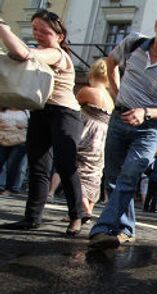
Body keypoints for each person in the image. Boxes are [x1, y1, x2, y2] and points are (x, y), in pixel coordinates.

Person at [89, 11, 157, 248]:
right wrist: (117, 94)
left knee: (130, 174)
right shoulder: (133, 43)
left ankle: (102, 228)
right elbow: (110, 63)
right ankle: (127, 227)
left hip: (149, 128)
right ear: (156, 26)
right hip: (119, 118)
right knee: (113, 178)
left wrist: (145, 112)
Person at [0, 10, 84, 235]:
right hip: (40, 111)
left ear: (59, 36)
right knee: (38, 168)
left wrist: (2, 26)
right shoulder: (40, 51)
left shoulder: (56, 54)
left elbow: (22, 52)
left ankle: (78, 216)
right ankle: (31, 218)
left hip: (65, 113)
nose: (37, 34)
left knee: (66, 165)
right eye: (35, 30)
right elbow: (16, 54)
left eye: (44, 31)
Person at [75, 58, 114, 223]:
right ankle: (88, 209)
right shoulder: (110, 99)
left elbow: (73, 108)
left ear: (92, 73)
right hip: (102, 139)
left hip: (87, 133)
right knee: (94, 173)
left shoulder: (87, 91)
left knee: (77, 170)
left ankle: (83, 209)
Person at [0, 108, 28, 195]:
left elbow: (31, 126)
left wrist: (23, 126)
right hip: (2, 140)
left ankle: (10, 188)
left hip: (19, 141)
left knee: (12, 165)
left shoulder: (26, 112)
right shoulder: (2, 110)